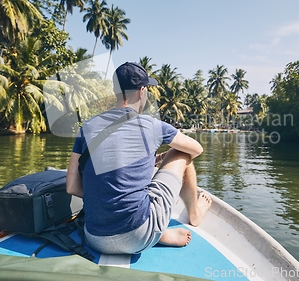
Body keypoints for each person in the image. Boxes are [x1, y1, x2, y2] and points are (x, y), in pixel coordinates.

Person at [66, 62, 211, 254]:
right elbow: (197, 149)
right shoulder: (152, 125)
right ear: (142, 91)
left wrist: (108, 199)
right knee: (182, 152)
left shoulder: (88, 126)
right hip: (137, 234)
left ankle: (155, 230)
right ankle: (193, 214)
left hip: (94, 237)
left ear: (115, 89)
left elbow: (72, 186)